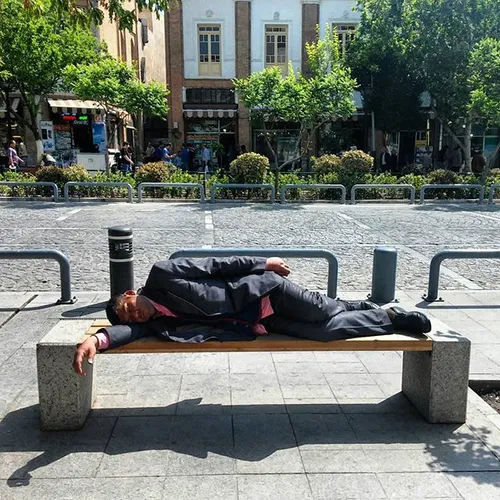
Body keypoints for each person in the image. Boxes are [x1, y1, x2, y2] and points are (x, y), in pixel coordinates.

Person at [73, 256, 431, 375]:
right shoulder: (155, 324)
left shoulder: (163, 273)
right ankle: (389, 318)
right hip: (258, 322)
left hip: (265, 290)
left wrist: (265, 263)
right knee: (324, 332)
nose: (135, 317)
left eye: (130, 309)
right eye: (131, 318)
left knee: (325, 311)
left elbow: (218, 264)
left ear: (132, 294)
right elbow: (126, 334)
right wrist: (98, 339)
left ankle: (371, 311)